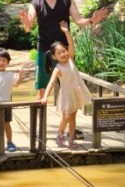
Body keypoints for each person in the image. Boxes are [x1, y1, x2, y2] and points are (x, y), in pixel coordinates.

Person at [19, 0, 108, 99]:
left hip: (64, 50)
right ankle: (39, 118)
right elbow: (29, 25)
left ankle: (69, 117)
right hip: (44, 49)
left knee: (69, 86)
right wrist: (27, 23)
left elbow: (78, 20)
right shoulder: (36, 4)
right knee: (42, 89)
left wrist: (91, 20)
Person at [39, 21, 92, 149]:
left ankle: (71, 139)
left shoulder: (71, 60)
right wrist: (45, 97)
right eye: (59, 53)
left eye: (64, 51)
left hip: (76, 92)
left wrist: (66, 32)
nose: (63, 54)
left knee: (73, 117)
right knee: (66, 116)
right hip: (66, 95)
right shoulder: (58, 68)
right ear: (54, 56)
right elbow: (51, 83)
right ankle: (60, 134)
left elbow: (71, 45)